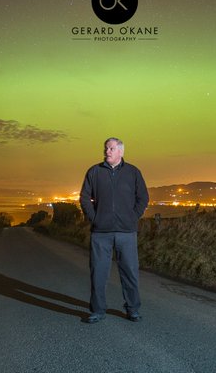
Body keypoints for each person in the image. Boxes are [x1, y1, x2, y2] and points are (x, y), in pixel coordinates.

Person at [79, 137, 149, 323]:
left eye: (111, 148)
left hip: (126, 233)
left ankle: (132, 309)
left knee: (130, 272)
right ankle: (98, 310)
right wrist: (95, 219)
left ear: (120, 152)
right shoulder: (94, 172)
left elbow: (143, 198)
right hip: (101, 233)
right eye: (105, 148)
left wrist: (132, 217)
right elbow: (85, 198)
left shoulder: (133, 172)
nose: (107, 151)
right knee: (98, 272)